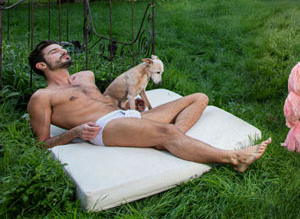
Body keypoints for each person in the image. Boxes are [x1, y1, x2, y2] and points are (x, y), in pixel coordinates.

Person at [26, 42, 269, 171]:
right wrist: (75, 132)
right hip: (103, 128)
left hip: (126, 115)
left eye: (62, 48)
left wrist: (128, 104)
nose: (63, 51)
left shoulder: (85, 76)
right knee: (168, 132)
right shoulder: (42, 96)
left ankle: (172, 141)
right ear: (41, 66)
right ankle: (234, 159)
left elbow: (106, 102)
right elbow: (42, 143)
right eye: (55, 52)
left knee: (199, 97)